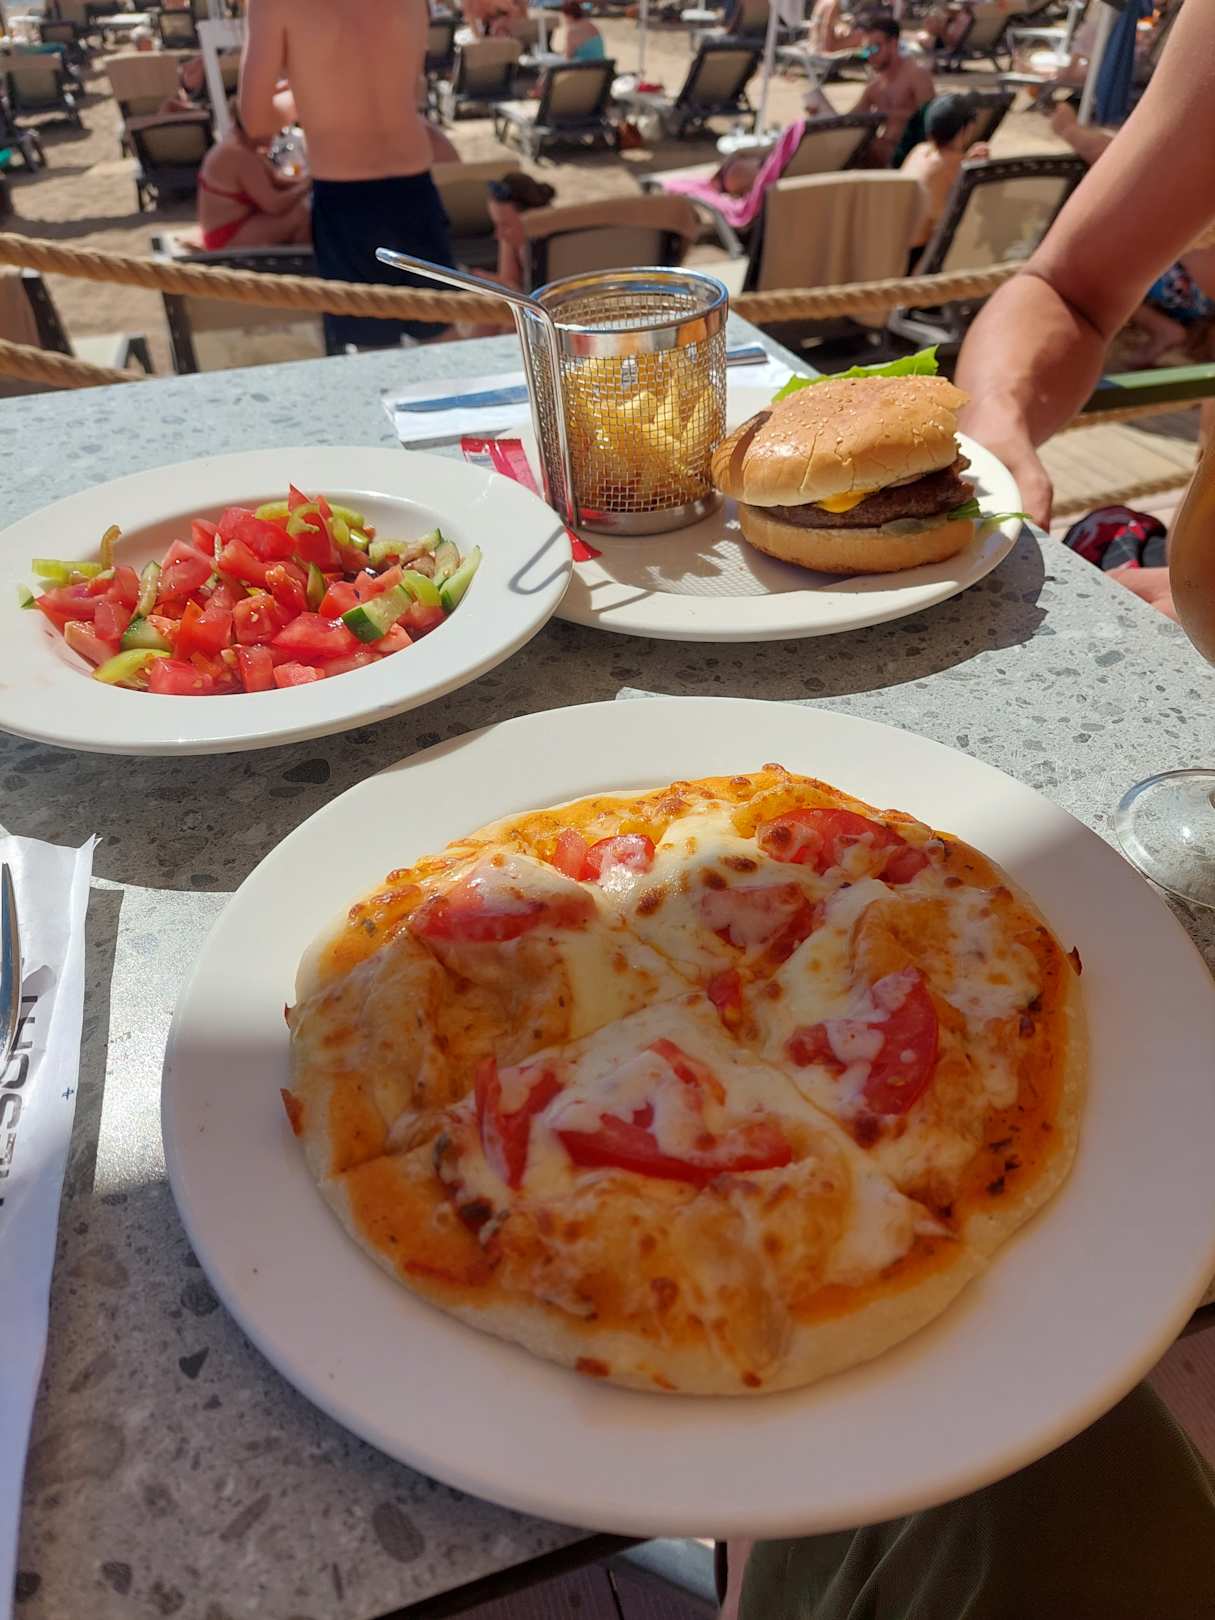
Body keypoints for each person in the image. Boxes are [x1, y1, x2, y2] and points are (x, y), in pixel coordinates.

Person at [239, 0, 456, 350]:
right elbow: (410, 86)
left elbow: (255, 119)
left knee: (373, 349)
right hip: (414, 179)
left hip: (344, 189)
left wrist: (304, 93)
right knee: (442, 337)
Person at [196, 101, 311, 251]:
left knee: (305, 204)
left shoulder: (242, 145)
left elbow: (276, 181)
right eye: (273, 128)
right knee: (303, 214)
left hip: (230, 228)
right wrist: (307, 186)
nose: (276, 134)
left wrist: (310, 181)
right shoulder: (239, 154)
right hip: (225, 237)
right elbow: (275, 205)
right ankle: (304, 261)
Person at [901, 93, 989, 268]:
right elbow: (983, 205)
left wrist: (966, 160)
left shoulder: (919, 151)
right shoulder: (959, 166)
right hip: (921, 258)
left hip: (899, 247)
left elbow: (941, 168)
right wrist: (978, 167)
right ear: (966, 129)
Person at [854, 14, 935, 167]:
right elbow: (851, 119)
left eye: (874, 48)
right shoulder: (875, 85)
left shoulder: (916, 74)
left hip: (912, 156)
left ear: (893, 44)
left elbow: (931, 120)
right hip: (884, 153)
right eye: (866, 50)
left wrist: (889, 115)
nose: (870, 55)